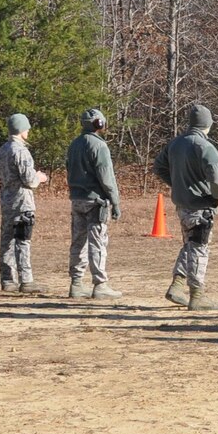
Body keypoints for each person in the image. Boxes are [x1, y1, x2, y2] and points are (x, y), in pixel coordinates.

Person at [154, 103, 218, 311]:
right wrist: (215, 198)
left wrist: (177, 184)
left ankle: (177, 285)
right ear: (208, 124)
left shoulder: (175, 144)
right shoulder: (206, 147)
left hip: (182, 204)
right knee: (200, 248)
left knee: (191, 245)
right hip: (200, 206)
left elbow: (158, 167)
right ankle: (197, 295)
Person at [66, 108, 122, 300]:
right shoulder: (99, 146)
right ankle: (100, 283)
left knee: (78, 241)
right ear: (99, 124)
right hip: (95, 201)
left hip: (77, 199)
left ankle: (76, 283)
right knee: (98, 242)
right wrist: (115, 202)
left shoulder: (74, 144)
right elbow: (107, 178)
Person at [0, 113, 49, 294]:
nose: (28, 131)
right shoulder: (21, 151)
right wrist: (39, 178)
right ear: (20, 129)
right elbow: (29, 179)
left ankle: (7, 280)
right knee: (23, 239)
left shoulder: (2, 150)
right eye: (26, 128)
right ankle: (26, 280)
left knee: (7, 240)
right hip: (22, 200)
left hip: (7, 199)